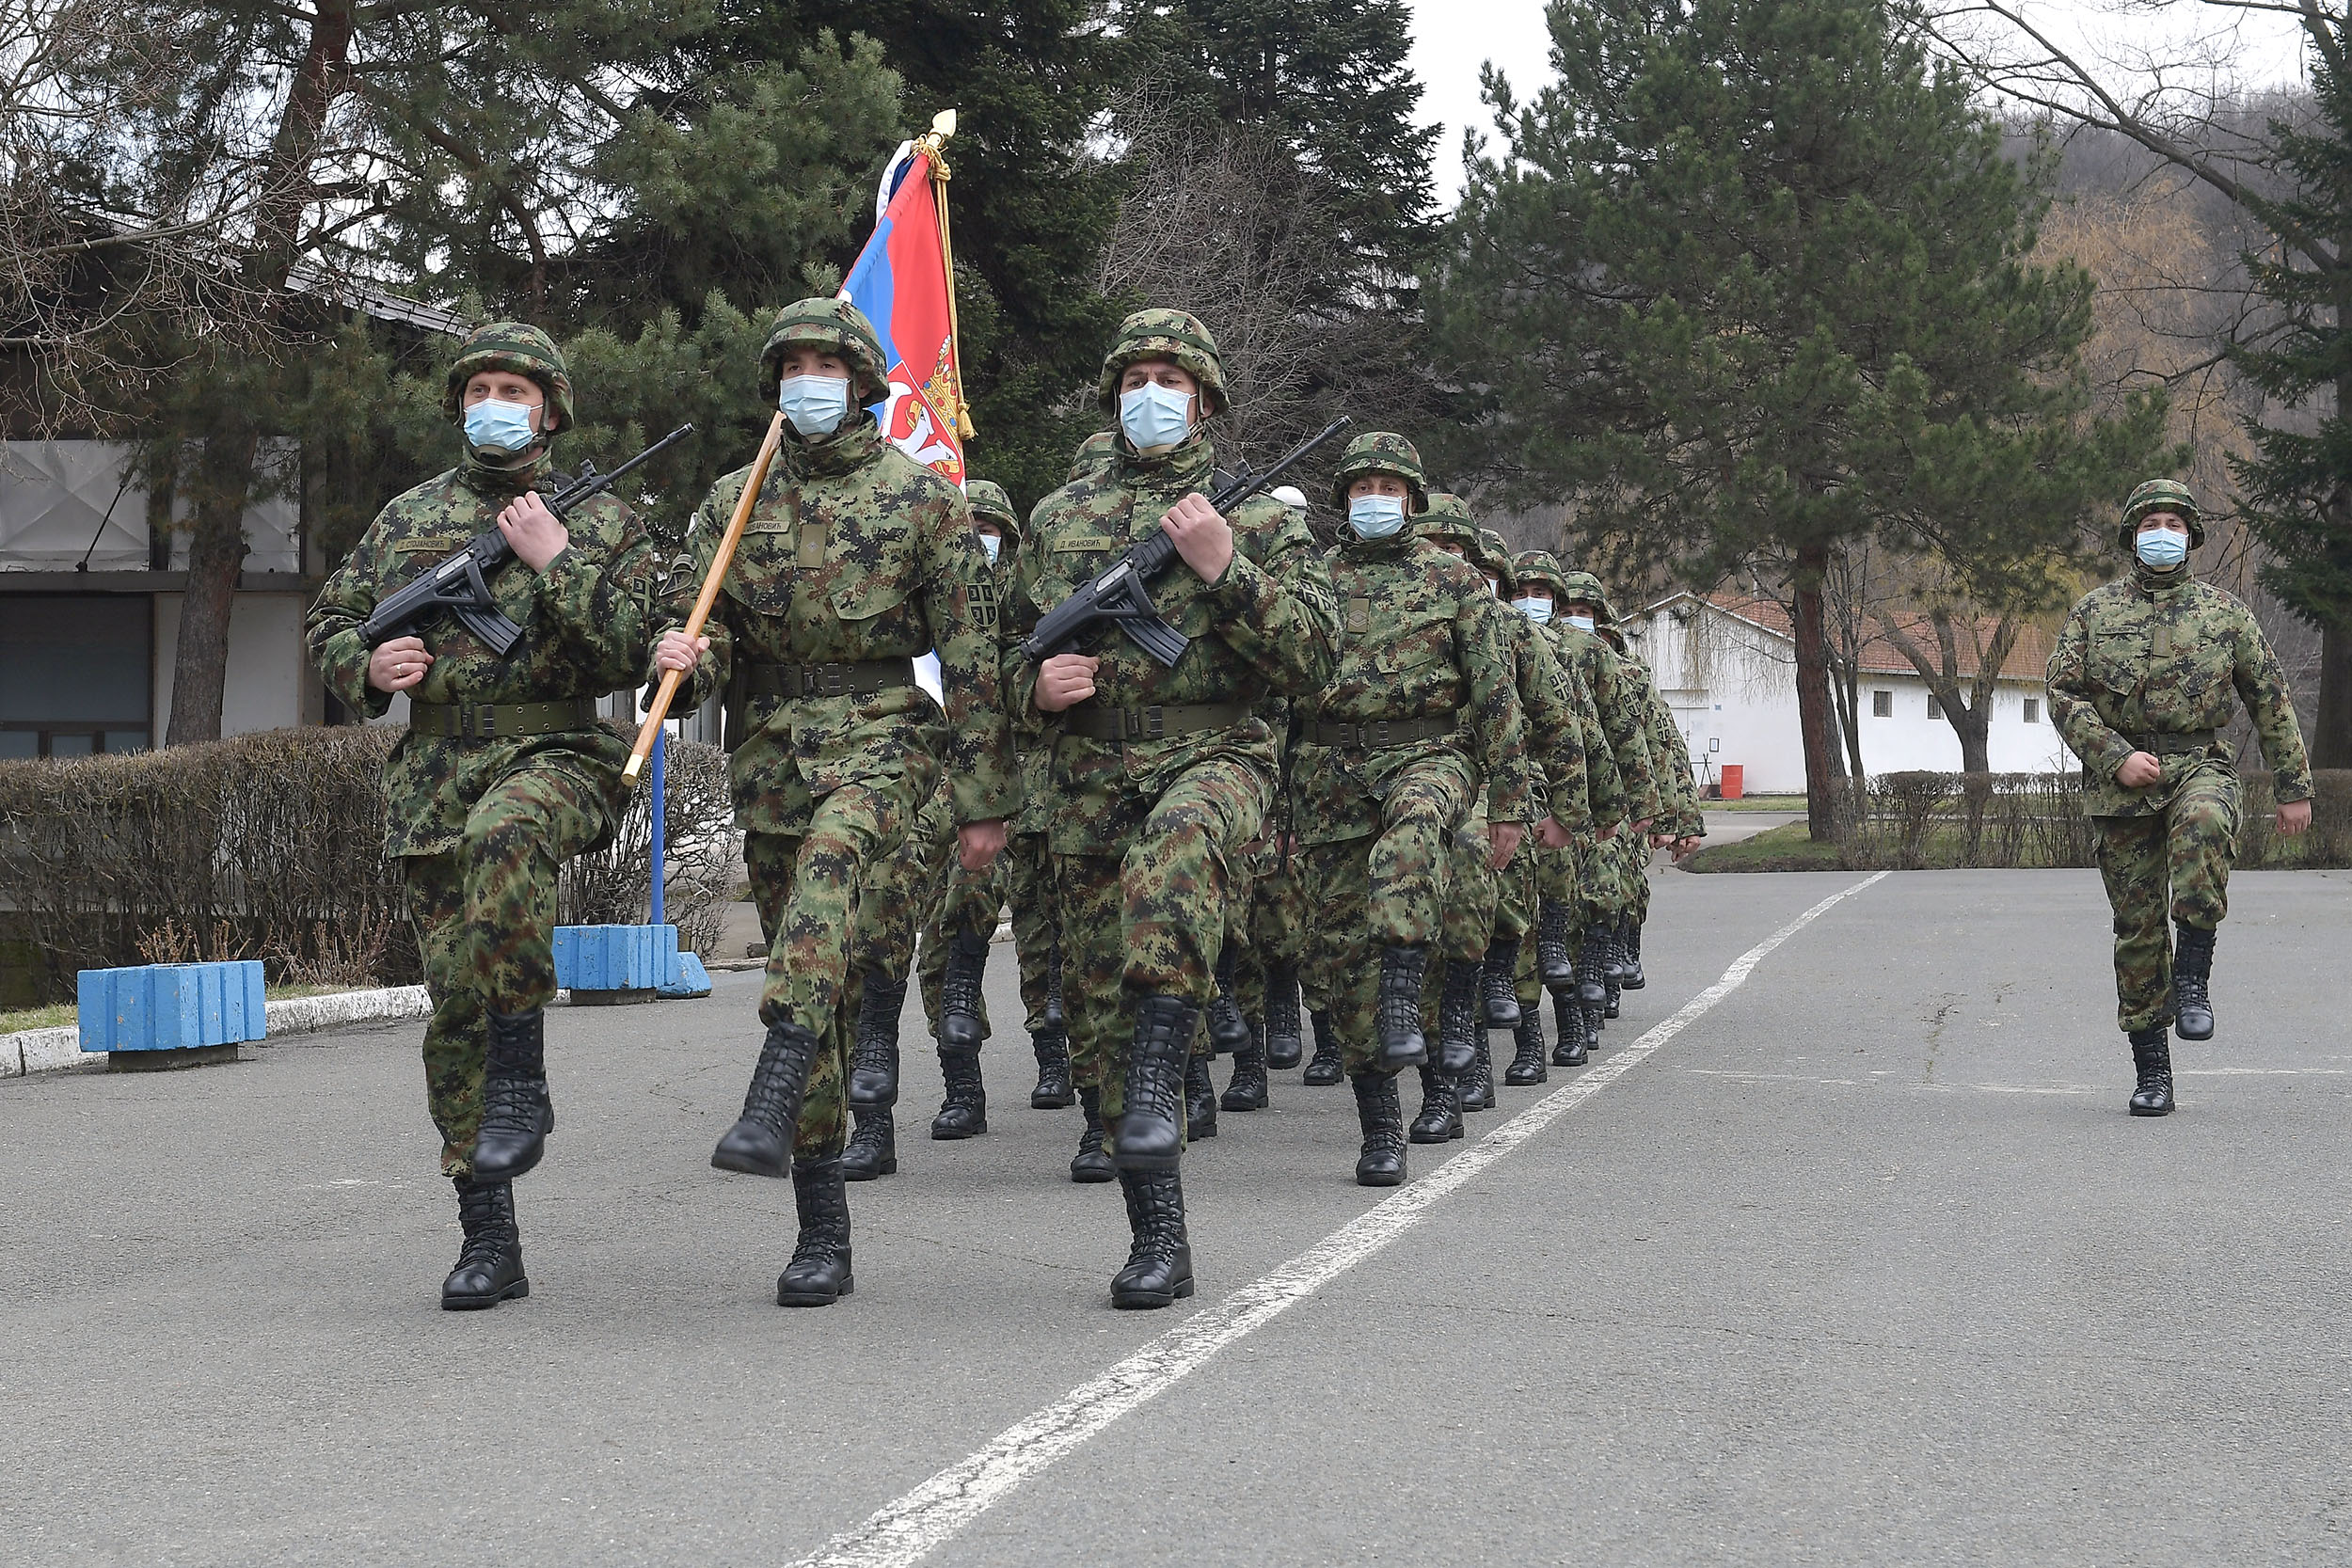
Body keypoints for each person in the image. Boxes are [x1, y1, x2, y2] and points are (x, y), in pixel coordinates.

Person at [650, 297, 1011, 1306]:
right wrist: (686, 653)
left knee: (834, 864)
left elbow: (973, 660)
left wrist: (987, 799)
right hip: (771, 752)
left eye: (825, 363)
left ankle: (772, 1077)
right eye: (790, 365)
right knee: (812, 952)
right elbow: (708, 630)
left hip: (888, 734)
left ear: (861, 381)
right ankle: (821, 1227)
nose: (806, 380)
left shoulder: (922, 501)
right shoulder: (735, 498)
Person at [307, 323, 660, 1310]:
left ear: (549, 410)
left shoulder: (604, 519)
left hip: (557, 751)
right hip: (436, 775)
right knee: (453, 1002)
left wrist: (555, 560)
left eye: (513, 387)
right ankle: (487, 1231)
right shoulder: (408, 515)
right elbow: (333, 618)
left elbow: (634, 645)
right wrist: (367, 667)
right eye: (478, 388)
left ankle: (522, 1071)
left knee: (508, 830)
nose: (492, 403)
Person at [1005, 309, 1337, 1307]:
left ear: (1205, 398)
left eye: (1171, 377)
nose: (1151, 393)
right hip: (1090, 774)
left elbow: (1316, 661)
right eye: (1136, 376)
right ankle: (1160, 1238)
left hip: (1217, 750)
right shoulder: (1058, 517)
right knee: (1100, 1017)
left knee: (1177, 854)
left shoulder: (1263, 521)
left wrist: (1223, 567)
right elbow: (1005, 659)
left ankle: (1164, 1071)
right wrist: (1037, 690)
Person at [1290, 435, 1530, 1185]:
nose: (1374, 496)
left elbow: (1495, 695)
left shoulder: (1455, 581)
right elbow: (1280, 697)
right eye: (1361, 484)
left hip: (1431, 755)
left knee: (1414, 832)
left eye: (1388, 484)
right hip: (1331, 772)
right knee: (1342, 956)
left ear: (1414, 498)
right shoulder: (1314, 581)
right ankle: (1382, 1124)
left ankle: (1404, 999)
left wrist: (1510, 803)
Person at [2046, 479, 2311, 1117]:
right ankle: (2153, 1073)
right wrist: (2114, 756)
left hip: (2199, 763)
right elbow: (2061, 693)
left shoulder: (2224, 615)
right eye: (2148, 523)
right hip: (2122, 785)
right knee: (2137, 933)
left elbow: (2269, 695)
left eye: (2172, 522)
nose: (2160, 532)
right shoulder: (2093, 613)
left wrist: (2293, 786)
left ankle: (2193, 980)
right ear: (2132, 536)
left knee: (2202, 822)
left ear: (2190, 536)